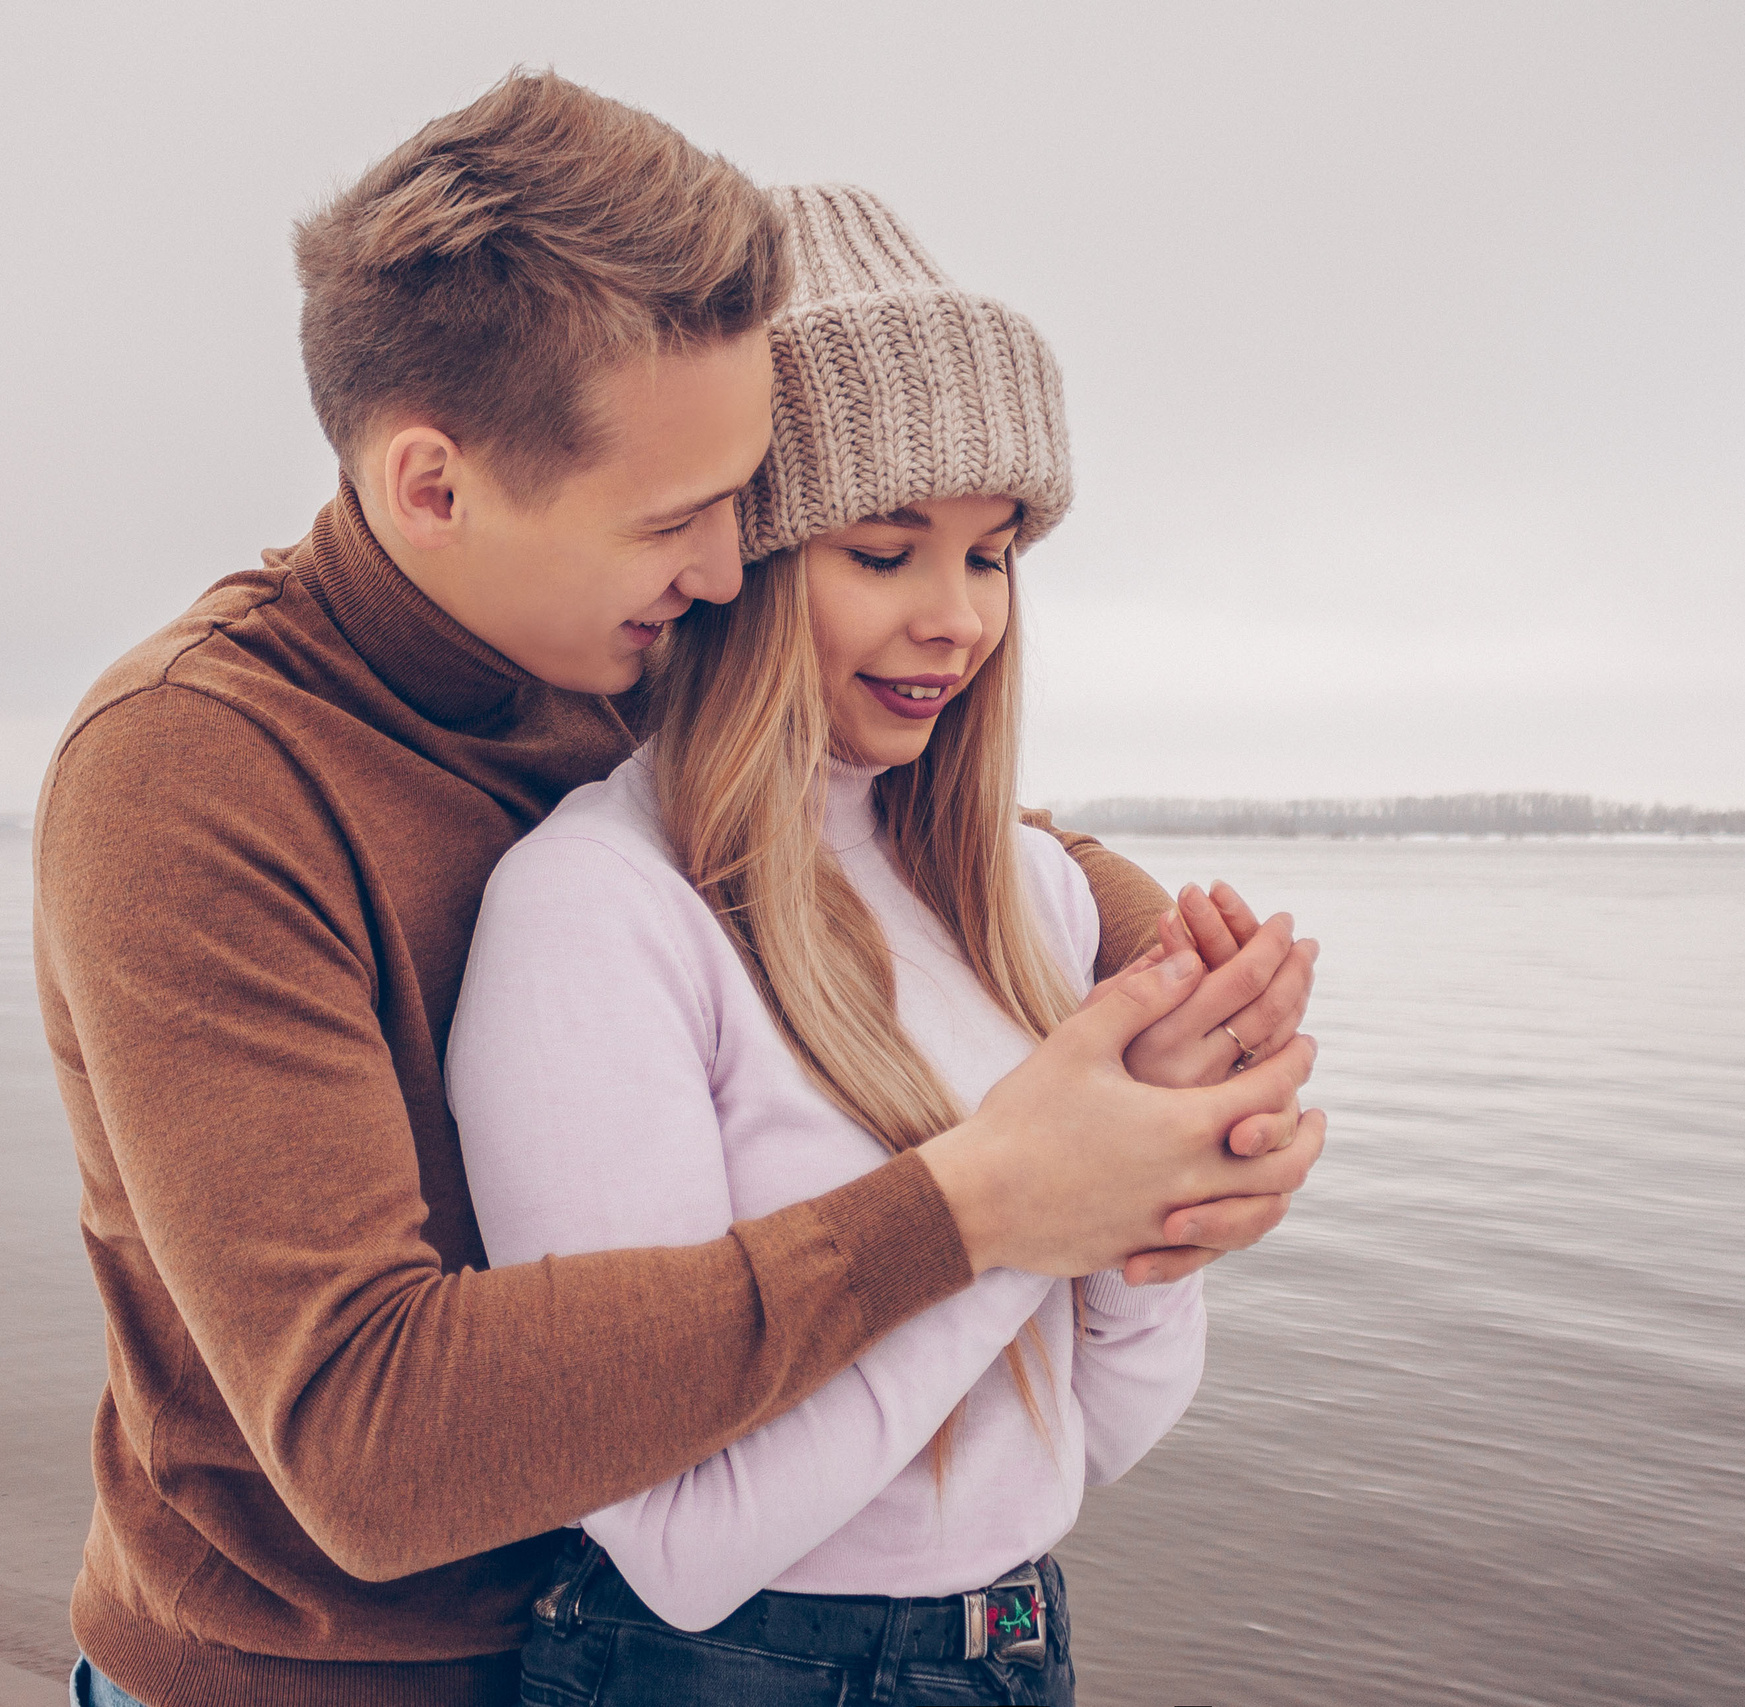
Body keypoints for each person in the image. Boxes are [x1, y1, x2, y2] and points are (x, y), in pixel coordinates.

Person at [35, 73, 1323, 1707]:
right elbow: (373, 1446)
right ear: (435, 487)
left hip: (643, 1644)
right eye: (684, 517)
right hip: (319, 1681)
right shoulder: (196, 772)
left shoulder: (622, 647)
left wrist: (1181, 1041)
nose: (728, 569)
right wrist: (993, 1202)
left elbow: (949, 838)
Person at [445, 185, 1316, 1707]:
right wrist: (1026, 1202)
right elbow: (676, 1542)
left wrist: (1155, 1210)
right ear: (743, 565)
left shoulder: (1031, 896)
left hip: (1008, 1646)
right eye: (886, 551)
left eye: (991, 556)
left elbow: (1092, 1441)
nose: (957, 620)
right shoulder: (597, 910)